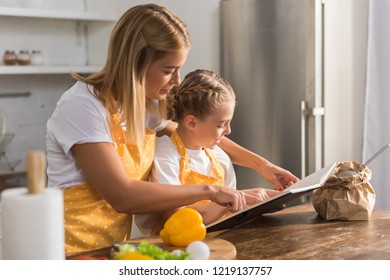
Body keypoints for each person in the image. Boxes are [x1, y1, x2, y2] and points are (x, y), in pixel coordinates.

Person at [46, 4, 298, 256]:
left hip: (110, 248)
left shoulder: (142, 107)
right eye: (168, 70)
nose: (177, 80)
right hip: (68, 252)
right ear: (135, 63)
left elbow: (201, 135)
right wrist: (211, 191)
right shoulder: (82, 107)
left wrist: (263, 166)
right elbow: (121, 195)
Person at [135, 69, 281, 235]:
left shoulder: (220, 158)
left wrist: (251, 204)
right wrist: (239, 198)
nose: (228, 131)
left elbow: (229, 217)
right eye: (221, 125)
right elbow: (176, 219)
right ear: (191, 123)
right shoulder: (165, 153)